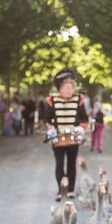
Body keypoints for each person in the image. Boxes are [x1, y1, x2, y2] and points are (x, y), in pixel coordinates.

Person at [43, 68, 89, 202]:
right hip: (58, 138)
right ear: (61, 89)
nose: (69, 90)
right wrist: (50, 128)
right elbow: (45, 119)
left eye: (71, 88)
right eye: (66, 88)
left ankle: (70, 190)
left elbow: (84, 118)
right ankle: (60, 189)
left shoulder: (78, 99)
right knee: (59, 163)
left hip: (73, 137)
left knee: (71, 164)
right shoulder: (52, 100)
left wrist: (81, 128)